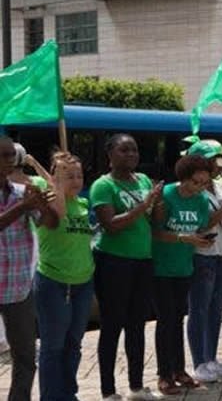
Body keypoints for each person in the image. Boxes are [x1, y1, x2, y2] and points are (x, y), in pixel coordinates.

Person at [90, 133, 163, 401]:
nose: (131, 154)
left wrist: (157, 203)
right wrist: (144, 204)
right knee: (111, 325)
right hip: (113, 262)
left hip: (142, 260)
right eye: (123, 150)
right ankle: (108, 390)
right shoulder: (103, 186)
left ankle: (136, 386)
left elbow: (152, 220)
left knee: (137, 325)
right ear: (110, 155)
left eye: (133, 150)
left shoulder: (143, 180)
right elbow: (112, 224)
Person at [149, 155, 221, 394]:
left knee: (177, 319)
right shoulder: (166, 195)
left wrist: (201, 240)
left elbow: (199, 228)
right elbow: (155, 232)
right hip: (161, 268)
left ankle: (179, 369)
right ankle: (164, 374)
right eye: (195, 183)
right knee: (165, 320)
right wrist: (182, 238)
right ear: (183, 178)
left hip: (184, 267)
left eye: (204, 183)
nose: (199, 188)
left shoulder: (201, 200)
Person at [0, 136, 57, 401]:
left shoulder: (24, 192)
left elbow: (50, 224)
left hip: (18, 289)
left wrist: (44, 204)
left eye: (12, 155)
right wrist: (23, 206)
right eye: (3, 155)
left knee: (24, 356)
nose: (9, 161)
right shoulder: (21, 200)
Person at [34, 153, 94, 401]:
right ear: (55, 178)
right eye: (69, 176)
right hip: (54, 283)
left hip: (83, 282)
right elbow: (55, 204)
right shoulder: (49, 200)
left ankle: (68, 394)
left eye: (79, 175)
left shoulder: (82, 204)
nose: (76, 180)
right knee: (53, 346)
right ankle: (51, 396)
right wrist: (37, 165)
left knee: (74, 344)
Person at [183, 137, 222, 382]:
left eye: (216, 161)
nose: (216, 166)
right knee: (198, 309)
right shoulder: (191, 190)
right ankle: (198, 362)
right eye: (210, 162)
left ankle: (210, 359)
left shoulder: (217, 187)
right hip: (203, 255)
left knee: (215, 309)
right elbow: (201, 224)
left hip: (221, 253)